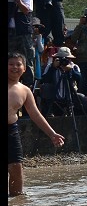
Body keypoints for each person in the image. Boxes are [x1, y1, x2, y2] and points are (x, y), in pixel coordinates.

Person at [8, 51, 65, 196]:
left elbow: (35, 114)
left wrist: (52, 134)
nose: (14, 67)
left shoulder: (25, 90)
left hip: (11, 130)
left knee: (16, 166)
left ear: (24, 68)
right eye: (10, 64)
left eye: (18, 64)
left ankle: (17, 201)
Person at [38, 46, 85, 117]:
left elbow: (80, 79)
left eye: (67, 59)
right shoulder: (50, 66)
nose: (64, 61)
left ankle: (72, 110)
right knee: (46, 87)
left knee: (81, 97)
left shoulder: (74, 67)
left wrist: (70, 71)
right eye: (61, 58)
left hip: (69, 94)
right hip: (54, 95)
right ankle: (49, 111)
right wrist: (53, 68)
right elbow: (44, 80)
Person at [8, 0, 35, 86]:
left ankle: (28, 87)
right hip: (10, 33)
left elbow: (26, 10)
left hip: (23, 32)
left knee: (27, 60)